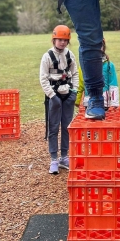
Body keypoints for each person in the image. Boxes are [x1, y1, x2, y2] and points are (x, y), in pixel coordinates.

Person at [40, 25, 79, 175]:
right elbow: (43, 78)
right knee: (53, 127)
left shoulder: (70, 55)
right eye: (60, 40)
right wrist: (52, 96)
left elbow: (74, 73)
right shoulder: (47, 57)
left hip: (67, 94)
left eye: (65, 40)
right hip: (54, 96)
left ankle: (64, 156)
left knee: (67, 126)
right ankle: (54, 159)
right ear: (54, 39)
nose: (62, 43)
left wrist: (74, 92)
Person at [76, 39, 120, 109]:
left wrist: (114, 102)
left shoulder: (109, 65)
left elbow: (113, 84)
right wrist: (77, 100)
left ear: (103, 47)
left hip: (104, 102)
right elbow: (80, 84)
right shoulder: (84, 65)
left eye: (99, 45)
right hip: (88, 102)